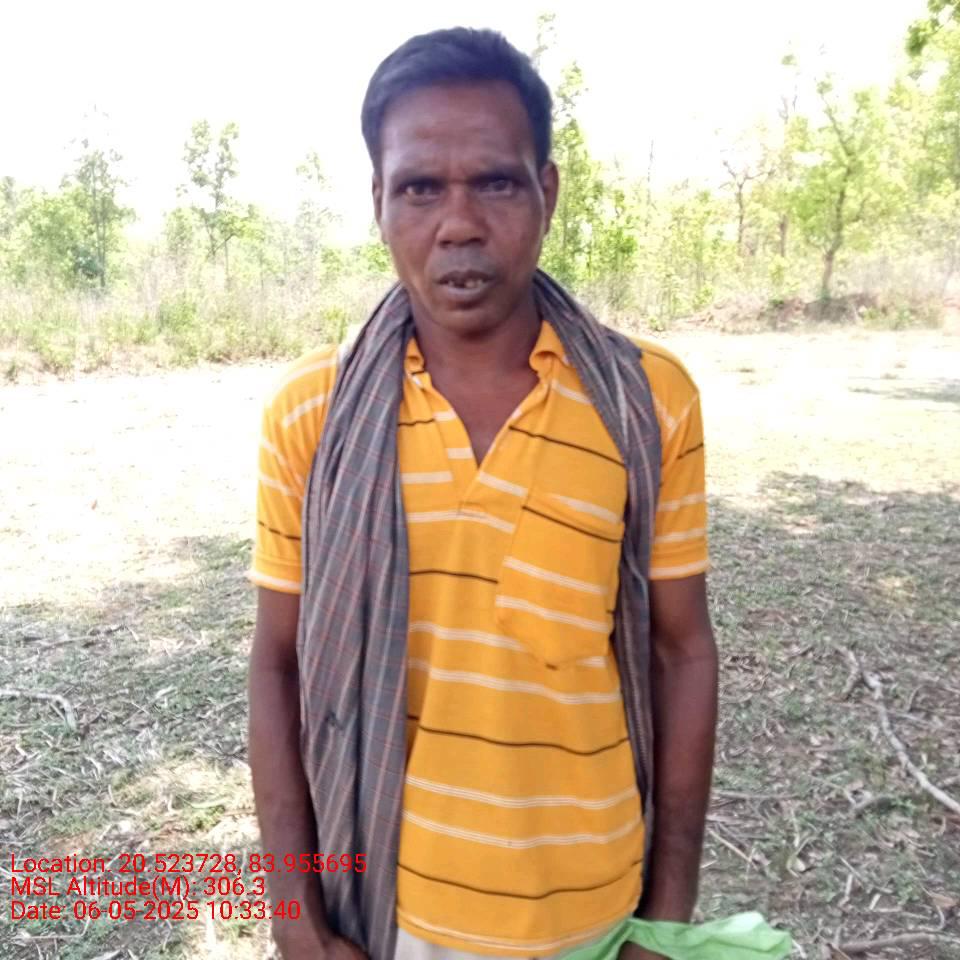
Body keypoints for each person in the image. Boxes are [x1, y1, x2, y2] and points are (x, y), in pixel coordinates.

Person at [248, 27, 718, 960]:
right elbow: (278, 663)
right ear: (378, 203)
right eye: (421, 188)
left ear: (547, 192)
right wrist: (292, 911)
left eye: (495, 183)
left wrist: (667, 917)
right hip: (390, 916)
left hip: (597, 911)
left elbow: (683, 652)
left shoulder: (648, 399)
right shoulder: (312, 413)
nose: (458, 223)